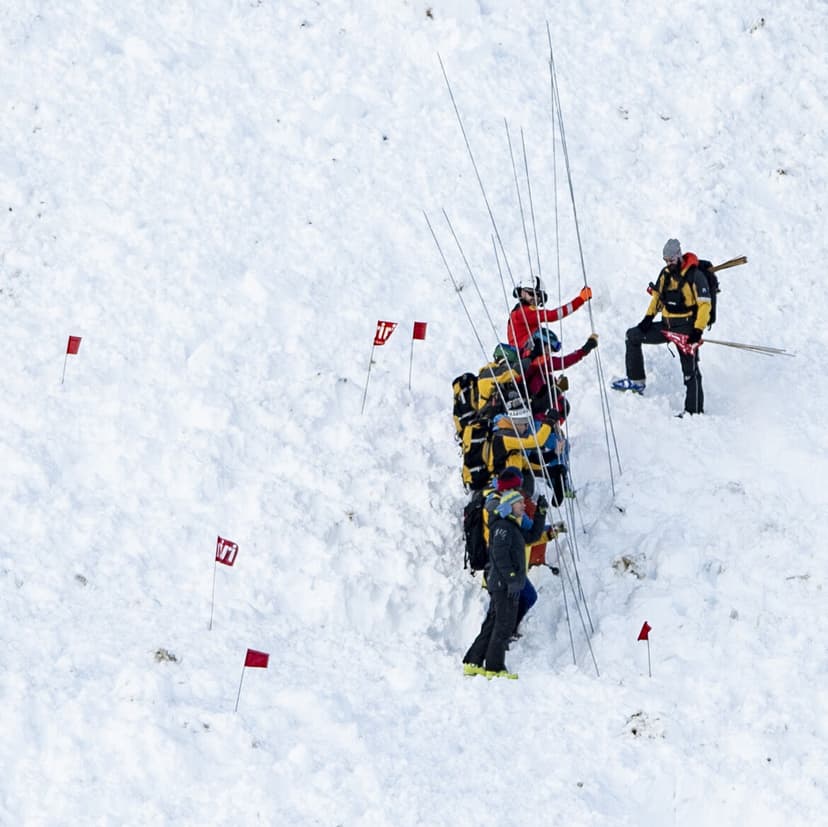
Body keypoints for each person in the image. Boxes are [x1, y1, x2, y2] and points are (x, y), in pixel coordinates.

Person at [612, 238, 711, 415]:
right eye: (665, 260)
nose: (668, 264)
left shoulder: (695, 276)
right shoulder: (665, 274)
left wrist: (698, 330)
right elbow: (657, 298)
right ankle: (636, 380)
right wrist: (647, 319)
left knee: (691, 371)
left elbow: (705, 305)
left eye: (671, 260)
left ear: (679, 256)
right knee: (632, 336)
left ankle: (694, 411)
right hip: (666, 326)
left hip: (686, 330)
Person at [463, 489, 548, 679]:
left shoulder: (512, 526)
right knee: (503, 625)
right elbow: (499, 556)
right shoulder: (502, 526)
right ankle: (494, 667)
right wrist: (511, 579)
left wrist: (541, 514)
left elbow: (533, 537)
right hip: (503, 584)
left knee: (493, 623)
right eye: (520, 503)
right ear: (509, 506)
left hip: (505, 583)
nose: (523, 506)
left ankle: (472, 662)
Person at [507, 277, 593, 353]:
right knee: (546, 337)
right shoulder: (524, 312)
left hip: (523, 355)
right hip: (524, 354)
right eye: (531, 293)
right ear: (521, 293)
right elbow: (553, 315)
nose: (535, 298)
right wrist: (580, 300)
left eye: (539, 296)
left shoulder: (520, 311)